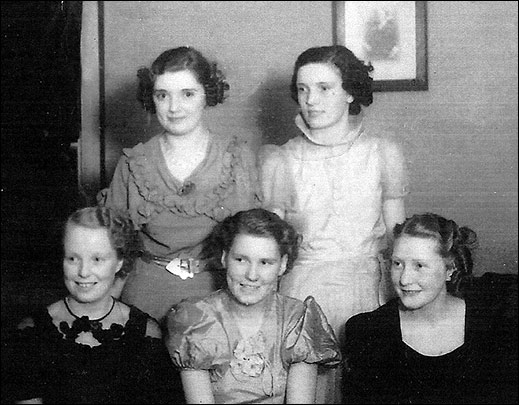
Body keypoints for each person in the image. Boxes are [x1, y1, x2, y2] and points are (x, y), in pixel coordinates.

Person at [259, 45, 409, 402]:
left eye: (324, 88)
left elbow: (399, 241)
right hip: (302, 296)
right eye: (302, 89)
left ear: (350, 92)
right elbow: (268, 249)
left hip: (368, 294)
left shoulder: (381, 154)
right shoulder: (280, 160)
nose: (311, 100)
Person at [98, 46, 261, 323]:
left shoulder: (237, 157)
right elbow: (111, 250)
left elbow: (256, 245)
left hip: (219, 300)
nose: (174, 108)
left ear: (207, 95)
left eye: (187, 94)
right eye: (163, 95)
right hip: (145, 299)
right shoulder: (132, 163)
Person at [2, 206, 185, 404]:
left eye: (97, 259)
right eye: (73, 258)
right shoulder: (32, 332)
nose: (83, 272)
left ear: (119, 262)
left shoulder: (145, 332)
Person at [166, 208, 342, 404]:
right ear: (224, 258)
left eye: (265, 263)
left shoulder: (297, 320)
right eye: (241, 260)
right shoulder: (197, 319)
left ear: (282, 265)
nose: (252, 275)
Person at [342, 212, 518, 404]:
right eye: (397, 264)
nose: (404, 279)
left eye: (419, 265)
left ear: (450, 270)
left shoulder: (495, 322)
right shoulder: (368, 332)